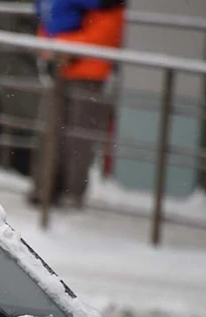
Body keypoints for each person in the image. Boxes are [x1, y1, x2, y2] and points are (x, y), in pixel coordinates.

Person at [30, 0, 126, 208]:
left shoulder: (107, 6)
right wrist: (52, 49)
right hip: (60, 70)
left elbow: (103, 36)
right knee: (48, 132)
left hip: (90, 75)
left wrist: (60, 47)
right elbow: (46, 24)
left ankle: (70, 193)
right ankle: (44, 188)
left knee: (79, 139)